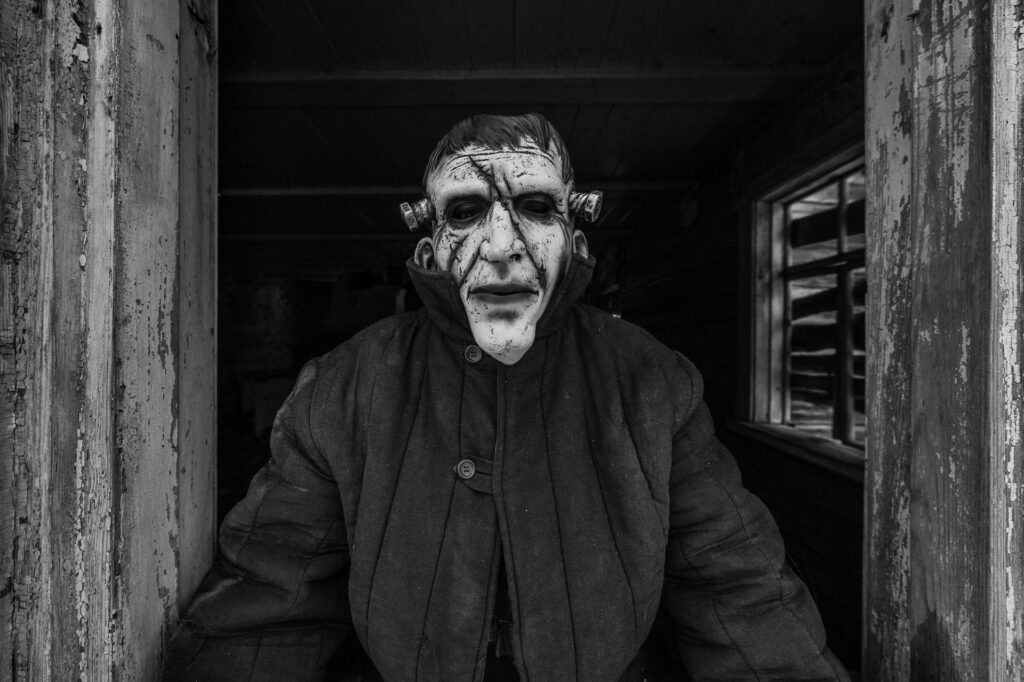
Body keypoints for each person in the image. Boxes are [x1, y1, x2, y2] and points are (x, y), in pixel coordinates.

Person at [165, 113, 849, 681]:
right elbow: (268, 600)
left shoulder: (652, 382)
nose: (501, 245)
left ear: (574, 243)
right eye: (466, 212)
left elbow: (739, 590)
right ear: (431, 251)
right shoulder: (345, 386)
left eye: (534, 207)